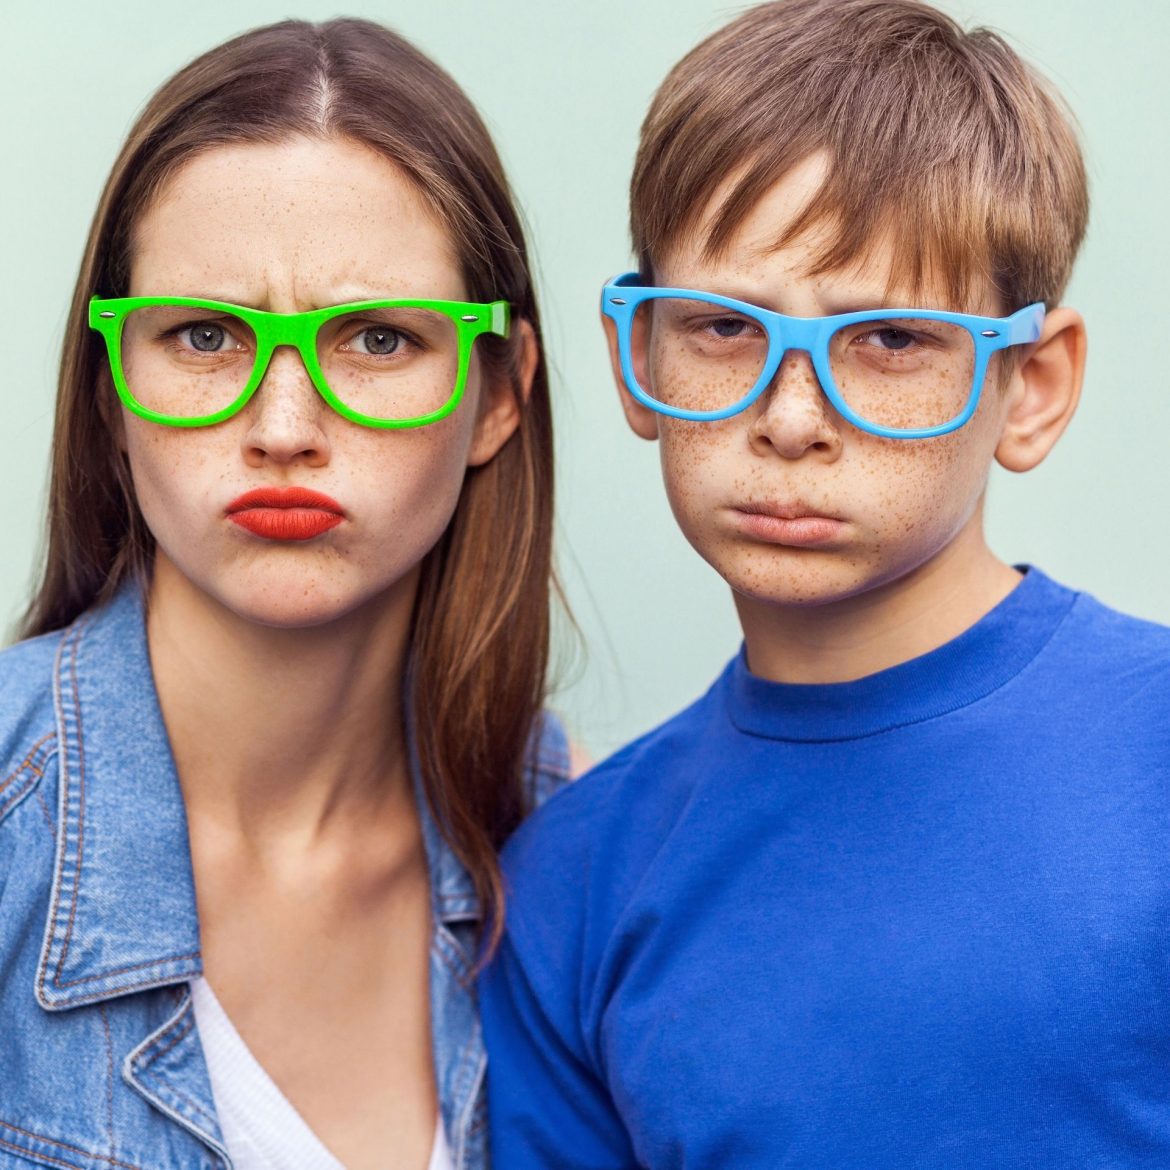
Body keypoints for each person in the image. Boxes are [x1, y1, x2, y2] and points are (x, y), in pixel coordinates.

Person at [479, 1, 1170, 1166]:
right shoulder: (572, 884)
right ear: (638, 358)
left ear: (1034, 386)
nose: (790, 419)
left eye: (891, 342)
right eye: (721, 328)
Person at [0, 17, 568, 1170]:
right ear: (112, 390)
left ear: (499, 396)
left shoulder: (561, 831)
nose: (283, 428)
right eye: (206, 336)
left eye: (375, 340)